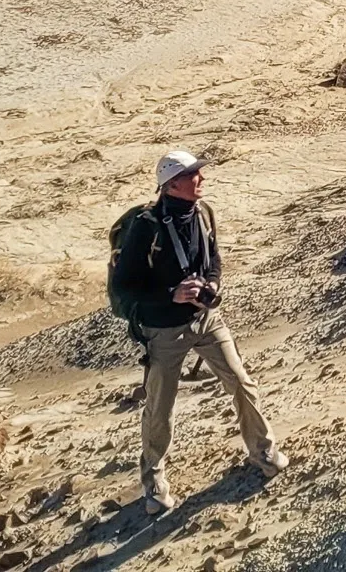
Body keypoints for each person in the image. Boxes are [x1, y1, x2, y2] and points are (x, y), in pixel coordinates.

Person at [108, 147, 285, 511]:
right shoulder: (146, 228)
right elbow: (125, 288)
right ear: (171, 186)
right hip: (163, 330)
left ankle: (264, 452)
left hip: (206, 318)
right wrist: (171, 295)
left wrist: (213, 285)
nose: (200, 179)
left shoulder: (203, 212)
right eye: (192, 176)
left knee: (240, 381)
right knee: (160, 408)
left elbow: (214, 258)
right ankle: (154, 483)